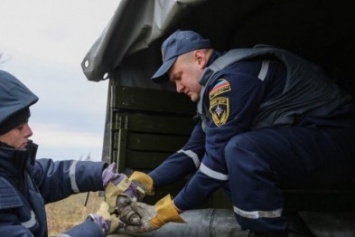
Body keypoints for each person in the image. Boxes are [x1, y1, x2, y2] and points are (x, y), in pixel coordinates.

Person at [117, 30, 355, 236]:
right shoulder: (216, 87)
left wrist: (166, 211)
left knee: (239, 151)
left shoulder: (232, 79)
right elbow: (192, 151)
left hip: (339, 138)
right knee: (234, 159)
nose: (178, 88)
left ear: (199, 58)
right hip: (316, 146)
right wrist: (146, 181)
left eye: (178, 77)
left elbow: (216, 162)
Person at [0, 70, 150, 237]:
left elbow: (52, 175)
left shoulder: (16, 171)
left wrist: (102, 175)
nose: (29, 132)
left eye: (26, 122)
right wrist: (95, 227)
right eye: (19, 127)